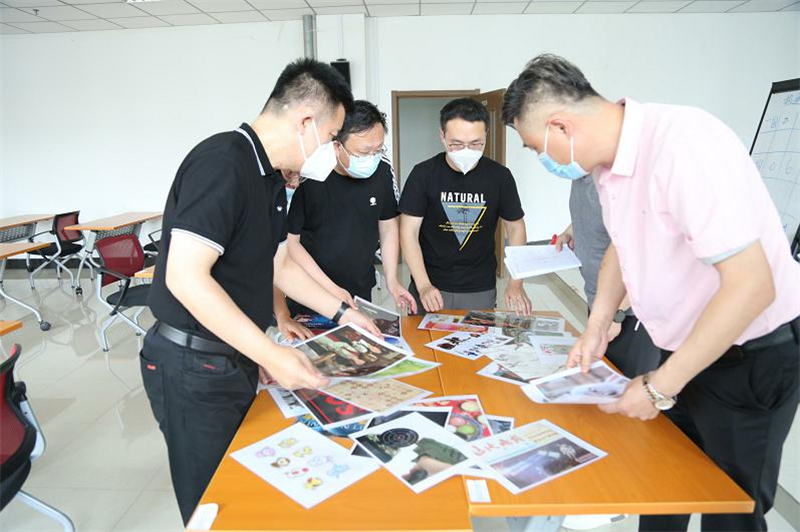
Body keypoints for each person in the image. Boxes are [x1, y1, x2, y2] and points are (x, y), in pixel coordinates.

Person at [504, 53, 800, 532]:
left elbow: (752, 286)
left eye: (538, 147)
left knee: (730, 508)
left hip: (748, 357)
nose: (544, 161)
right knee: (664, 486)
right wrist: (598, 324)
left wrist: (659, 387)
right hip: (681, 349)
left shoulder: (685, 147)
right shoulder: (607, 166)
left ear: (561, 127)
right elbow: (621, 247)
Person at [141, 58, 381, 524]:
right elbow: (184, 277)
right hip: (192, 363)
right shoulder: (222, 163)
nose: (332, 149)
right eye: (333, 136)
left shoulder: (269, 176)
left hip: (231, 355)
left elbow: (280, 264)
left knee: (245, 489)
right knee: (215, 502)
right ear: (305, 122)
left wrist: (343, 313)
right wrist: (269, 354)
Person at [399, 98, 531, 315]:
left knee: (477, 336)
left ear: (486, 135)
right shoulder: (423, 174)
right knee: (422, 336)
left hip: (479, 285)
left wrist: (516, 282)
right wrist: (423, 285)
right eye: (457, 144)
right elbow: (408, 232)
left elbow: (515, 227)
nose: (466, 150)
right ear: (442, 137)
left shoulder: (500, 177)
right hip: (430, 283)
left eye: (476, 143)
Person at [286, 99, 417, 314]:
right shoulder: (308, 174)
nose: (372, 158)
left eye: (378, 149)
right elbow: (291, 244)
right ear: (337, 146)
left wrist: (392, 279)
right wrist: (331, 289)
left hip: (359, 288)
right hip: (309, 290)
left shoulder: (383, 170)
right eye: (363, 153)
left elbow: (387, 226)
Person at [554, 174, 661, 378]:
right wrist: (570, 231)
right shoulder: (581, 176)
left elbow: (642, 256)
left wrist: (614, 315)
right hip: (601, 303)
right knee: (602, 379)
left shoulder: (622, 182)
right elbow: (596, 215)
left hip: (630, 311)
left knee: (627, 384)